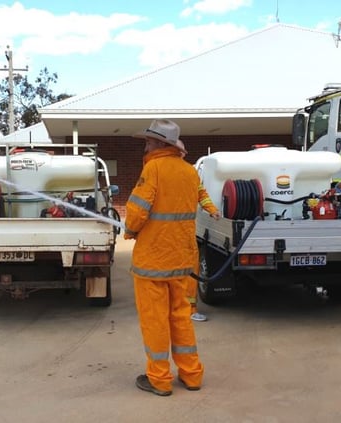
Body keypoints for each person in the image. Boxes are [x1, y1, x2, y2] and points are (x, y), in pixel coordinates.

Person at [124, 119, 204, 396]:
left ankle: (159, 379)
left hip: (153, 263)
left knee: (155, 321)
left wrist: (130, 230)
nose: (145, 146)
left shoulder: (153, 168)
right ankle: (191, 375)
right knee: (181, 317)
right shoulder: (190, 171)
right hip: (182, 260)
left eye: (148, 141)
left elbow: (137, 210)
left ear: (160, 144)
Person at [177, 140, 220, 322]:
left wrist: (212, 210)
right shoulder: (185, 172)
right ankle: (184, 310)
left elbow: (201, 193)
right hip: (175, 234)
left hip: (183, 233)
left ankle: (188, 309)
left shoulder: (189, 173)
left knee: (188, 272)